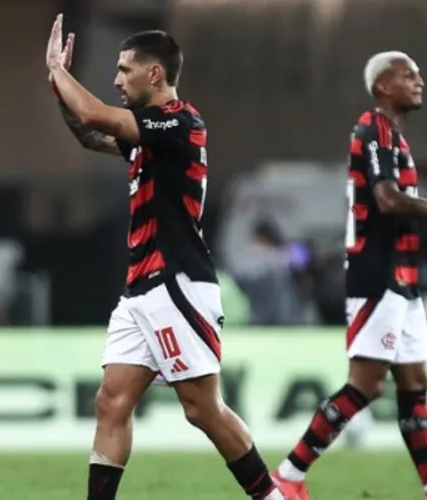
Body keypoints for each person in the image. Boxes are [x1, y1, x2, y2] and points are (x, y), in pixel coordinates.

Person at [46, 17, 285, 500]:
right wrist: (59, 89)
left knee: (202, 409)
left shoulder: (178, 122)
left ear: (154, 74)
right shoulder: (148, 135)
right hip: (140, 289)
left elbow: (94, 114)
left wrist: (58, 70)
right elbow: (88, 133)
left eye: (124, 69)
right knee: (112, 402)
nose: (117, 80)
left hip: (177, 283)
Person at [272, 51, 427, 500]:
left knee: (414, 383)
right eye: (408, 74)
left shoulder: (395, 137)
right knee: (366, 384)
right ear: (382, 87)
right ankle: (290, 473)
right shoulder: (373, 128)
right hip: (379, 276)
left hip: (403, 278)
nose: (419, 80)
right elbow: (387, 200)